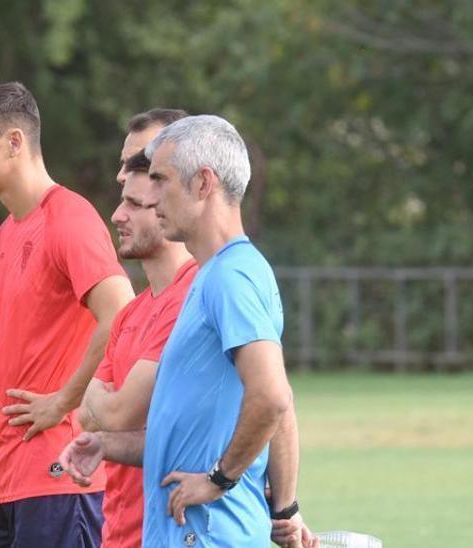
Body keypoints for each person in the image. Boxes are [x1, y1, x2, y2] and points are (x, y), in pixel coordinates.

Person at [59, 115, 315, 547]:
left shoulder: (230, 277)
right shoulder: (210, 278)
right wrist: (106, 444)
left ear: (202, 183)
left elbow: (272, 397)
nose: (152, 195)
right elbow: (188, 437)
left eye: (161, 179)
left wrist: (219, 479)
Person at [0, 82, 135, 547]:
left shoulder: (69, 218)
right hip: (0, 477)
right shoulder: (9, 230)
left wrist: (63, 401)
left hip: (56, 477)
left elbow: (120, 313)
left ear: (14, 141)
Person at [77, 109, 195, 548]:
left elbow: (119, 413)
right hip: (118, 533)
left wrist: (286, 506)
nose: (116, 211)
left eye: (139, 164)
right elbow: (90, 417)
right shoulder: (133, 311)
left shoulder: (201, 296)